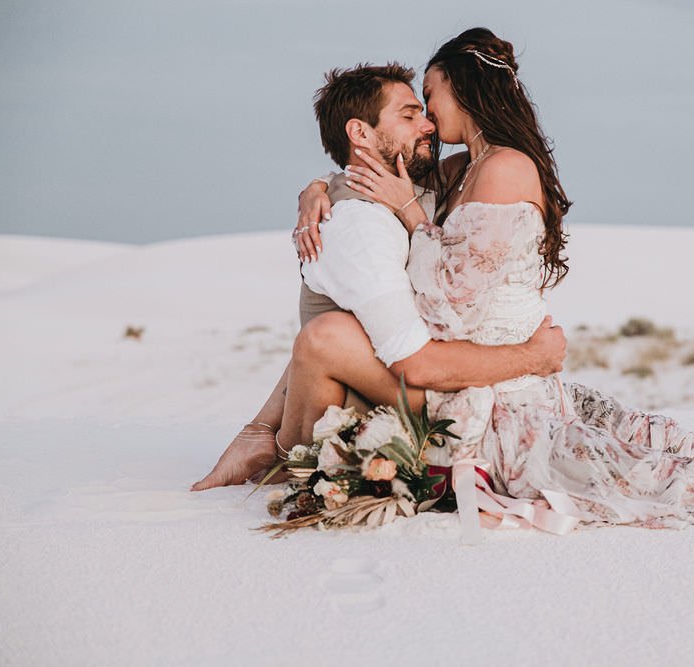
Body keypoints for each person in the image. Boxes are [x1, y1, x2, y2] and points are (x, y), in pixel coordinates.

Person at [281, 27, 694, 525]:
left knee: (620, 466)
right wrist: (317, 189)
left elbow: (450, 303)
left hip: (496, 384)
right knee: (633, 437)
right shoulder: (465, 168)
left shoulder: (502, 170)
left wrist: (411, 215)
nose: (429, 116)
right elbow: (377, 177)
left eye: (431, 96)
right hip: (494, 379)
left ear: (461, 93)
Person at [191, 63, 567, 491]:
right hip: (436, 378)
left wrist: (317, 186)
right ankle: (284, 461)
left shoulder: (429, 182)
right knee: (327, 337)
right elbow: (418, 364)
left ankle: (270, 443)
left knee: (333, 340)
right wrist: (533, 357)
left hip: (454, 378)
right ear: (361, 134)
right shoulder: (361, 228)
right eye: (410, 114)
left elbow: (380, 186)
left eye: (426, 106)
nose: (427, 123)